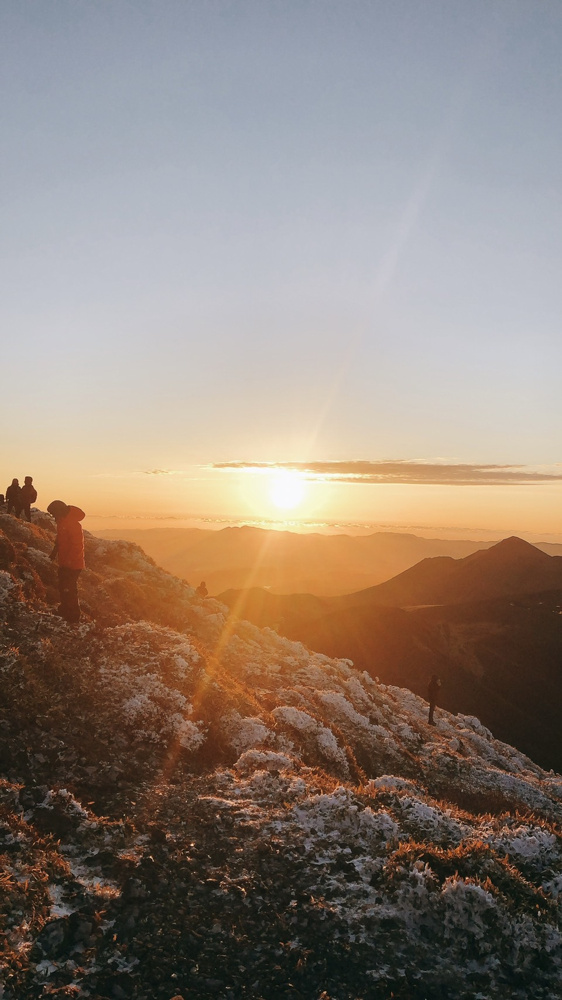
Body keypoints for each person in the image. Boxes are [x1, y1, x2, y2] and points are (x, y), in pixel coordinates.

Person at [47, 500, 86, 623]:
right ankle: (64, 610)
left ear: (59, 511)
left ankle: (74, 616)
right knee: (63, 587)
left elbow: (76, 546)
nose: (53, 517)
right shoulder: (61, 521)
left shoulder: (73, 524)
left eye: (54, 514)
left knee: (69, 589)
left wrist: (68, 563)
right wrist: (54, 554)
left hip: (73, 564)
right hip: (65, 562)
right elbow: (60, 540)